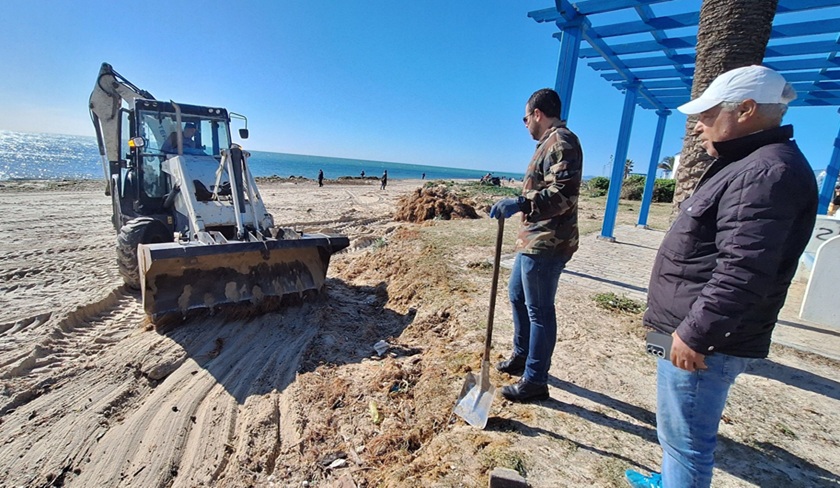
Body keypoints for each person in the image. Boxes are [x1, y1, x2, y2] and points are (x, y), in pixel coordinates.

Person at [625, 65, 818, 488]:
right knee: (675, 428)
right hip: (684, 328)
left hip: (704, 340)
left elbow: (744, 270)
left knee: (687, 439)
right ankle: (670, 477)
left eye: (707, 115)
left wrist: (695, 333)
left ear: (747, 109)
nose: (697, 128)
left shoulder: (764, 173)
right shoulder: (750, 164)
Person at [489, 88, 583, 402]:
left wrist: (521, 202)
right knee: (517, 295)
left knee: (540, 311)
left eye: (526, 117)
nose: (525, 123)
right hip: (533, 240)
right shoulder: (548, 143)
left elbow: (563, 194)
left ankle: (536, 380)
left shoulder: (561, 141)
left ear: (538, 114)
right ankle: (522, 355)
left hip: (548, 242)